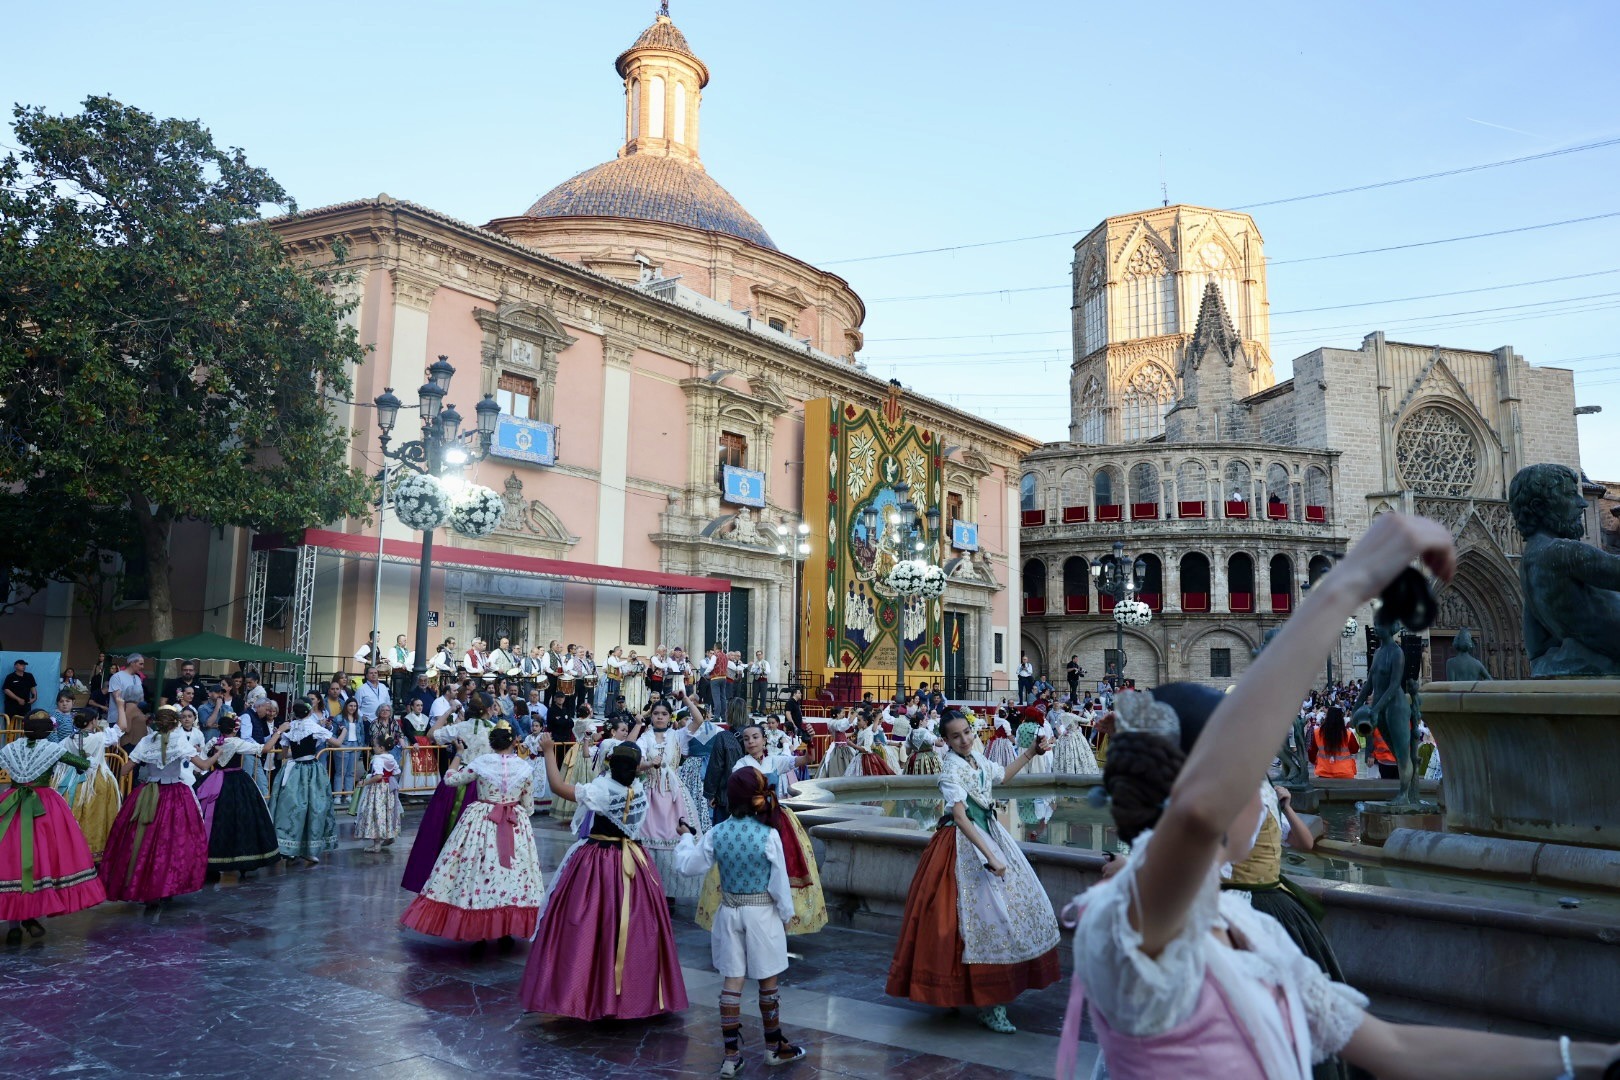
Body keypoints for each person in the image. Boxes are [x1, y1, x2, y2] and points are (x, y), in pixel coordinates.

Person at [1054, 512, 1620, 1079]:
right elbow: (1204, 807)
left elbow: (1398, 1051)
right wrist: (1344, 586)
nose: (1266, 783)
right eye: (1252, 769)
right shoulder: (1127, 919)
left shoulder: (1244, 926)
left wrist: (1591, 1061)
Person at [886, 710, 1059, 1033]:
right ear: (946, 740)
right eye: (956, 736)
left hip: (988, 835)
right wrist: (990, 854)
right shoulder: (950, 769)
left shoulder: (976, 759)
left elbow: (1002, 777)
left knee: (991, 918)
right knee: (977, 919)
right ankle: (984, 1002)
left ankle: (972, 996)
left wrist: (1031, 753)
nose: (964, 739)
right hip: (964, 845)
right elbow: (962, 817)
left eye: (967, 732)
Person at [521, 735, 689, 1020]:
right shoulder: (638, 788)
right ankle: (633, 995)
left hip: (597, 859)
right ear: (636, 768)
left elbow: (558, 787)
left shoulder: (602, 789)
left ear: (612, 764)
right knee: (634, 923)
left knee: (587, 922)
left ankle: (584, 992)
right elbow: (639, 770)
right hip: (634, 860)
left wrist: (550, 752)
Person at [676, 768, 810, 1077]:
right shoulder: (769, 835)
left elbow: (688, 866)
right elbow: (779, 885)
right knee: (768, 982)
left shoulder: (717, 832)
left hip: (729, 912)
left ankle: (730, 1057)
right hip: (762, 915)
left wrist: (685, 838)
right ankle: (774, 1048)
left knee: (731, 982)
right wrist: (787, 916)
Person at [400, 722, 543, 942]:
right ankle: (505, 927)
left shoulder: (481, 763)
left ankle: (479, 927)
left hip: (481, 821)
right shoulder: (524, 768)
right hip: (514, 821)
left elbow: (450, 780)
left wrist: (458, 755)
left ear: (491, 743)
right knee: (514, 874)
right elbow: (529, 806)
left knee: (478, 871)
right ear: (513, 742)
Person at [0, 713, 106, 944]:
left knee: (12, 861)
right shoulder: (51, 749)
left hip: (12, 804)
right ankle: (30, 917)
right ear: (48, 731)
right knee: (42, 859)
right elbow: (83, 764)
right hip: (44, 807)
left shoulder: (10, 749)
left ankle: (15, 924)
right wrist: (84, 760)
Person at [100, 707, 220, 903]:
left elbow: (124, 770)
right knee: (173, 841)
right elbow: (204, 766)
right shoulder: (179, 740)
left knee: (142, 840)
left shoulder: (147, 741)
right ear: (176, 724)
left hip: (148, 793)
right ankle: (167, 884)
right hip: (174, 793)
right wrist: (217, 754)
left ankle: (143, 883)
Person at [401, 695, 498, 893]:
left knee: (444, 830)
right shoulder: (495, 729)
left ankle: (442, 877)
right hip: (483, 784)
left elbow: (431, 734)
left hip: (458, 779)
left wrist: (449, 711)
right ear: (488, 709)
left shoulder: (461, 727)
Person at [195, 714, 279, 877]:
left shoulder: (213, 742)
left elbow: (204, 760)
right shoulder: (237, 742)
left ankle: (212, 860)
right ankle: (244, 860)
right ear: (234, 729)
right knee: (242, 818)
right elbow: (265, 749)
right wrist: (278, 733)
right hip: (236, 781)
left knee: (215, 819)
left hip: (215, 780)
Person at [636, 699, 700, 900]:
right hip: (651, 793)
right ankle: (650, 890)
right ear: (651, 716)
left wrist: (686, 699)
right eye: (656, 714)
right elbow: (635, 761)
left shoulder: (677, 735)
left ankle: (670, 892)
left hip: (674, 796)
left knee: (675, 838)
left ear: (670, 716)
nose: (660, 717)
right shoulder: (645, 738)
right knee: (649, 840)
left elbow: (698, 719)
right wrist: (648, 764)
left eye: (664, 713)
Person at [265, 701, 342, 866]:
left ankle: (291, 849)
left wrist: (297, 749)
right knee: (314, 808)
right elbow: (337, 743)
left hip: (293, 770)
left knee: (293, 809)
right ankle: (309, 850)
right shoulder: (313, 727)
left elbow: (284, 755)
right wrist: (344, 732)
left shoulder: (289, 727)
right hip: (311, 770)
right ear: (309, 711)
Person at [58, 711, 122, 857]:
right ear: (93, 721)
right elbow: (121, 728)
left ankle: (69, 849)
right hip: (96, 781)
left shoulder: (68, 739)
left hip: (70, 780)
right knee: (95, 815)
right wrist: (119, 704)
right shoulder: (99, 737)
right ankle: (92, 850)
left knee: (73, 811)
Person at [354, 730, 403, 853]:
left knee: (376, 812)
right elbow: (397, 772)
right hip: (388, 789)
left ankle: (376, 845)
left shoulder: (377, 759)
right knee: (388, 811)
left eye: (374, 746)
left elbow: (378, 776)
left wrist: (364, 782)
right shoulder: (391, 758)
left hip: (378, 789)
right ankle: (390, 835)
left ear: (381, 748)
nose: (373, 748)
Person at [330, 695, 366, 807]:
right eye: (351, 705)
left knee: (351, 772)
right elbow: (334, 733)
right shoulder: (339, 718)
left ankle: (349, 794)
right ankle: (337, 795)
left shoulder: (358, 718)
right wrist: (337, 744)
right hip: (343, 746)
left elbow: (362, 733)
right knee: (340, 771)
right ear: (346, 706)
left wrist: (361, 745)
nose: (353, 708)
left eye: (355, 706)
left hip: (356, 745)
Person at [1313, 706, 1359, 780]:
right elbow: (1355, 750)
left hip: (1324, 772)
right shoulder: (1348, 734)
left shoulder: (1317, 733)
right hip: (1344, 773)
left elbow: (1312, 752)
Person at [4, 658, 38, 723]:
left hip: (25, 705)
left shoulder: (29, 676)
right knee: (11, 724)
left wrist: (34, 698)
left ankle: (24, 733)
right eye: (21, 665)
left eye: (24, 665)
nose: (24, 666)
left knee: (26, 724)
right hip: (12, 706)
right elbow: (6, 690)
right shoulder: (10, 677)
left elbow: (32, 687)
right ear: (16, 666)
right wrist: (18, 699)